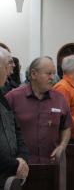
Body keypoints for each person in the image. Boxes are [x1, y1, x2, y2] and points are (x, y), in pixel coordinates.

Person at [6, 57, 72, 164]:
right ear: (33, 74)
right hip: (21, 167)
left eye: (54, 73)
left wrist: (62, 146)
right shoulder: (12, 98)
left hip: (52, 164)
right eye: (48, 73)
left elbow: (66, 127)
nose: (53, 78)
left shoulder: (60, 98)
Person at [0, 47, 29, 188]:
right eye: (8, 65)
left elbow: (16, 129)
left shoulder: (3, 95)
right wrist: (16, 164)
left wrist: (22, 159)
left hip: (8, 174)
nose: (11, 71)